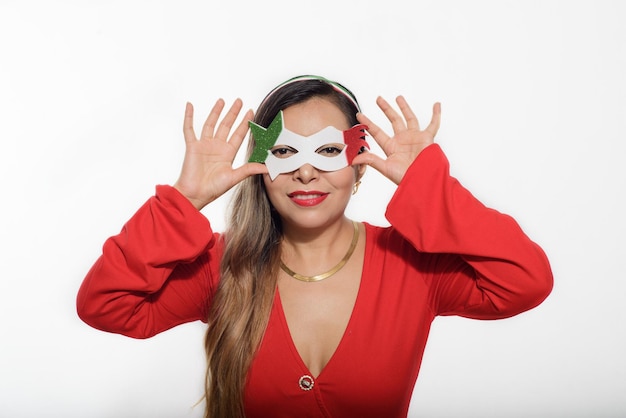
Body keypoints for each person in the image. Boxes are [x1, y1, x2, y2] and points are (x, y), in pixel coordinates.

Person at [76, 75, 553, 418]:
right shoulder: (222, 268)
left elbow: (524, 281)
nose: (307, 172)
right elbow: (105, 306)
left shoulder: (412, 267)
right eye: (285, 152)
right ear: (260, 166)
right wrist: (183, 202)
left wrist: (430, 189)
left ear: (360, 165)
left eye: (328, 151)